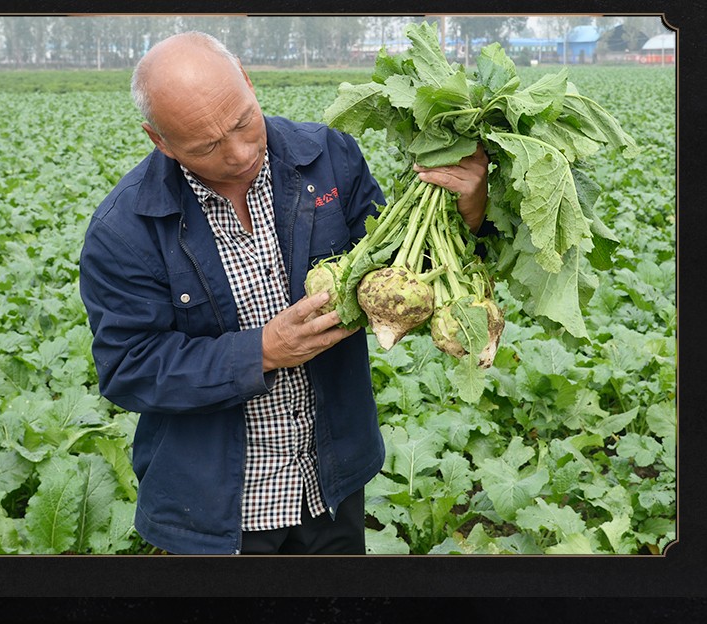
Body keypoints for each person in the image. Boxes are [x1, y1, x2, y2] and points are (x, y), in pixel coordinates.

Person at [78, 31, 489, 555]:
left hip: (333, 484)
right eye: (207, 146)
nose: (240, 152)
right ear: (159, 140)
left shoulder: (328, 157)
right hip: (217, 512)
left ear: (248, 83)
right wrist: (263, 352)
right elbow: (128, 368)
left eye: (243, 121)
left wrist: (470, 209)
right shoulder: (124, 229)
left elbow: (403, 271)